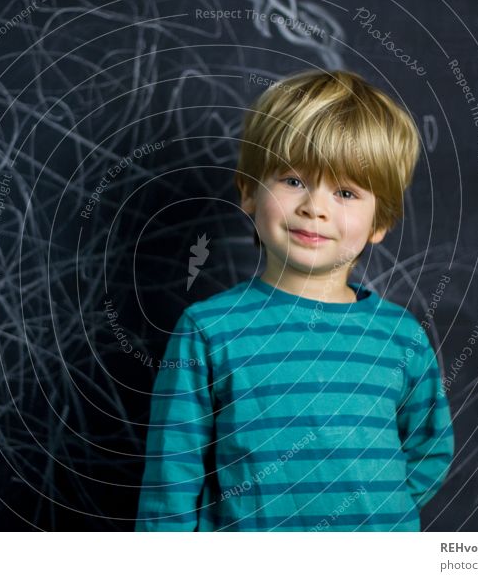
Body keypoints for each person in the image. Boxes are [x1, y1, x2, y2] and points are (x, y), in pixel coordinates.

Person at [135, 69, 454, 531]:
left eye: (345, 192)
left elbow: (429, 448)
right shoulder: (208, 330)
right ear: (248, 191)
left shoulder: (400, 336)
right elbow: (171, 481)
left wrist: (378, 518)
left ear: (379, 222)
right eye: (293, 181)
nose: (315, 208)